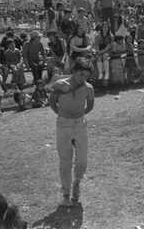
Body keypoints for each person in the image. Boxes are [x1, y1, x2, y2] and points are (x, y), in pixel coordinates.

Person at [49, 57, 95, 207]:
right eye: (81, 74)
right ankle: (66, 194)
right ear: (74, 71)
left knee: (82, 160)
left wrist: (79, 116)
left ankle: (77, 181)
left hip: (80, 125)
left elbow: (90, 105)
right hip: (63, 125)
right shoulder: (60, 84)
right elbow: (52, 101)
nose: (84, 79)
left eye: (87, 76)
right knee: (65, 160)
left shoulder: (88, 88)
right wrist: (62, 115)